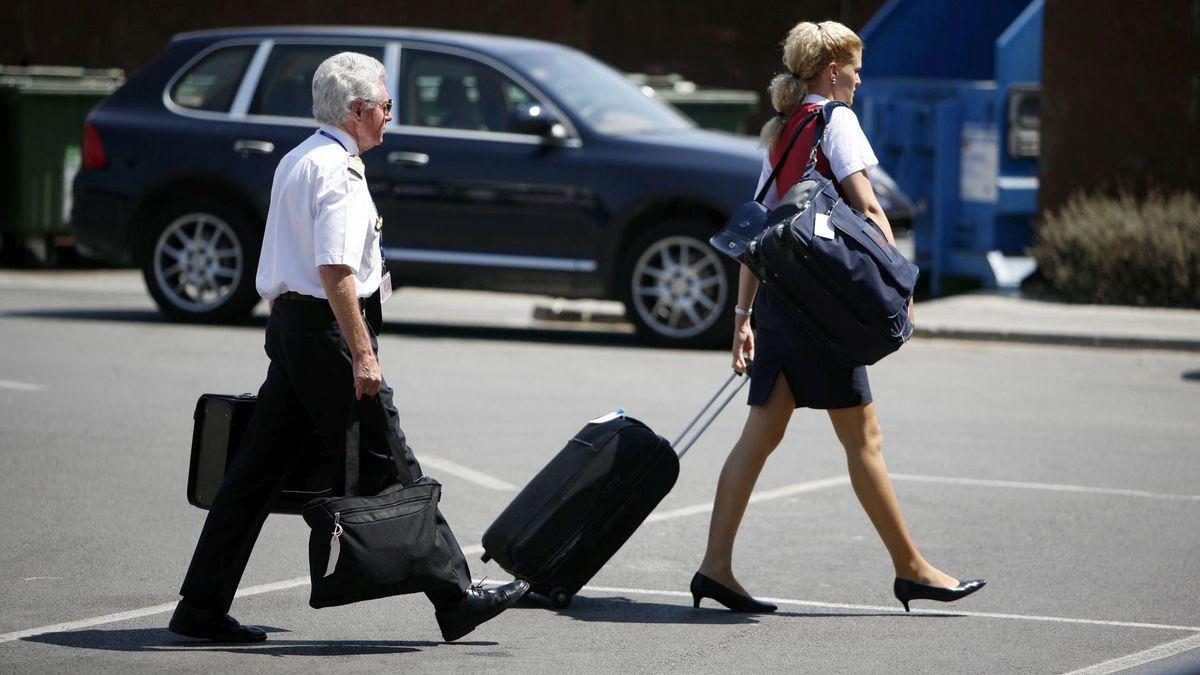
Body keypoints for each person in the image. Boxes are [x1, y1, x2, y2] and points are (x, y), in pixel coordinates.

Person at [169, 52, 528, 643]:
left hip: (294, 330)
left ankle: (200, 606)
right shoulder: (338, 170)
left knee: (255, 474)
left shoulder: (300, 157)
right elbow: (334, 269)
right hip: (327, 334)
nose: (391, 116)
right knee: (393, 459)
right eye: (386, 106)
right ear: (358, 110)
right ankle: (456, 596)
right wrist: (362, 354)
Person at [691, 21, 985, 613]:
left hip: (779, 305)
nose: (858, 78)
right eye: (854, 68)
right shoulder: (835, 120)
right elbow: (869, 205)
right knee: (865, 441)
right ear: (831, 70)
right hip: (824, 313)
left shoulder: (782, 130)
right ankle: (912, 569)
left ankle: (715, 567)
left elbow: (758, 228)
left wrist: (744, 314)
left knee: (761, 436)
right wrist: (898, 283)